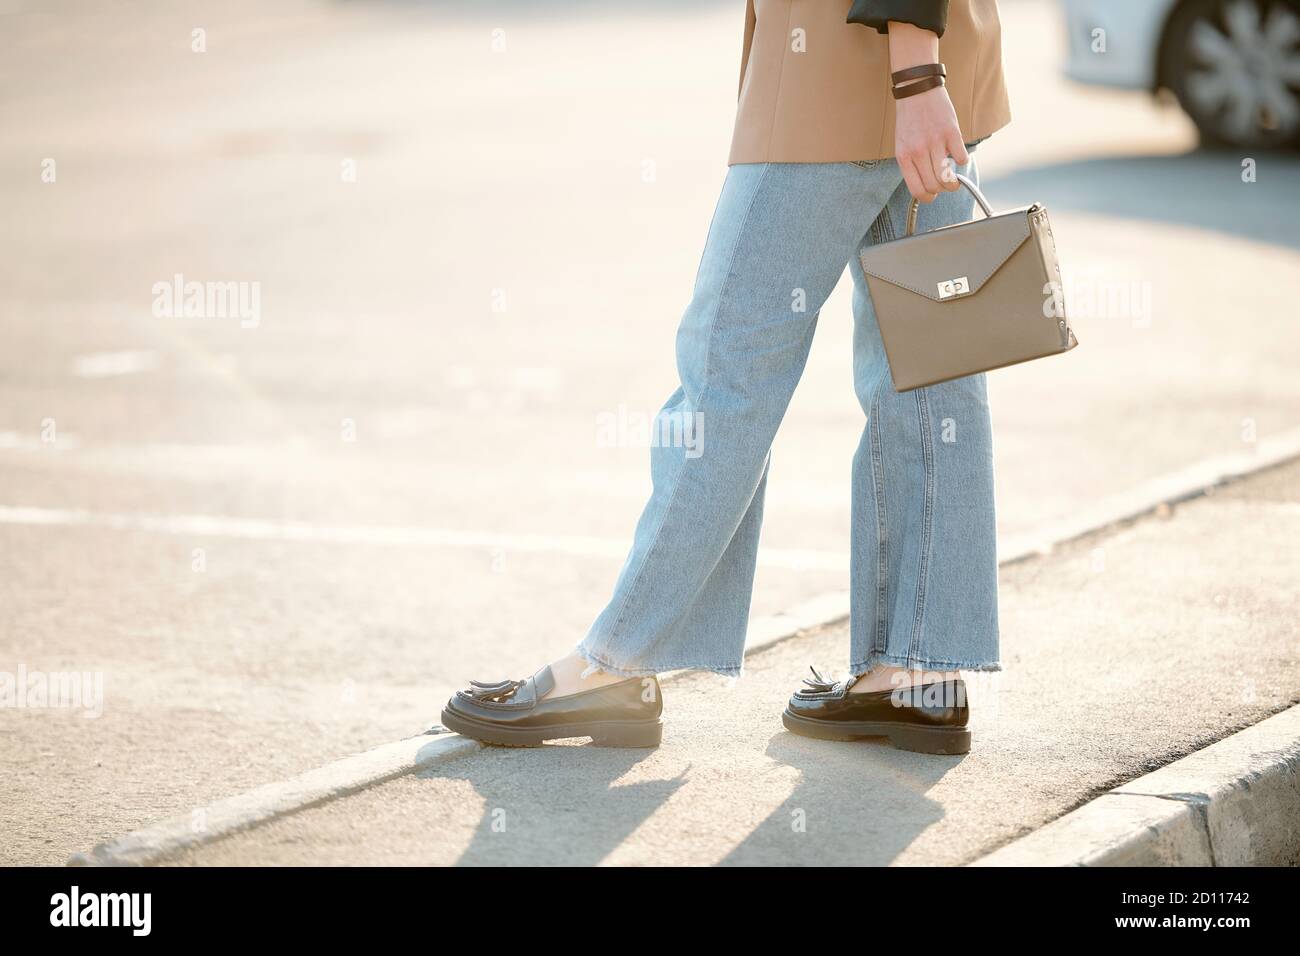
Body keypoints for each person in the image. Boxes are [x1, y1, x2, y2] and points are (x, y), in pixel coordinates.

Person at [441, 0, 1011, 755]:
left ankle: (618, 660)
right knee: (929, 372)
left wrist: (912, 68)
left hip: (843, 74)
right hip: (931, 71)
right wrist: (924, 69)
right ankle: (912, 673)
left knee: (728, 374)